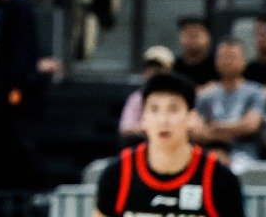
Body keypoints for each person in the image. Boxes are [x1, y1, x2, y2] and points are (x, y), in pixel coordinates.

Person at [95, 73, 243, 217]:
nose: (163, 120)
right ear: (143, 119)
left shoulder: (220, 179)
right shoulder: (117, 174)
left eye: (173, 109)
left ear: (192, 118)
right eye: (154, 109)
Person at [194, 40, 266, 158]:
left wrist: (212, 128)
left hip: (244, 155)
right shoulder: (206, 95)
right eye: (223, 57)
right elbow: (196, 131)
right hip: (211, 153)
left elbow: (250, 126)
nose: (227, 61)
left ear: (244, 60)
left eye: (232, 57)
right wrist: (233, 130)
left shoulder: (256, 92)